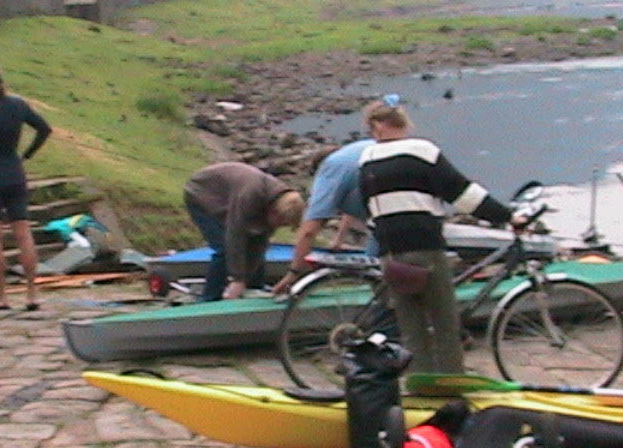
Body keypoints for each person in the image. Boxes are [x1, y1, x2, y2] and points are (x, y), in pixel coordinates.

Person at [358, 99, 527, 375]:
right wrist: (507, 216)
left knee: (411, 329)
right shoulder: (423, 151)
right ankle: (451, 382)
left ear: (377, 127)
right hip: (425, 245)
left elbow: (369, 207)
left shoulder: (367, 159)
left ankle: (419, 383)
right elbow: (464, 195)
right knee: (445, 324)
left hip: (390, 251)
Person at [0, 63, 53, 311]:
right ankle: (32, 293)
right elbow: (44, 129)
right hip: (14, 170)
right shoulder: (18, 104)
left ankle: (2, 296)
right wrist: (26, 155)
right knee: (23, 233)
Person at [183, 162, 304, 301]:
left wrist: (246, 279)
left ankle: (254, 287)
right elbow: (235, 235)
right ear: (275, 213)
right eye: (281, 223)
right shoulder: (250, 195)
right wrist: (238, 279)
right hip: (203, 193)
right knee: (224, 248)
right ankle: (210, 297)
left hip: (232, 192)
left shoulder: (279, 201)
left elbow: (261, 243)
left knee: (256, 241)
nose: (279, 227)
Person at [272, 137, 374, 295]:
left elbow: (309, 231)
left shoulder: (331, 168)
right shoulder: (354, 157)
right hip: (410, 206)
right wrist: (338, 240)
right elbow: (350, 207)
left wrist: (294, 273)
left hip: (389, 220)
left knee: (378, 278)